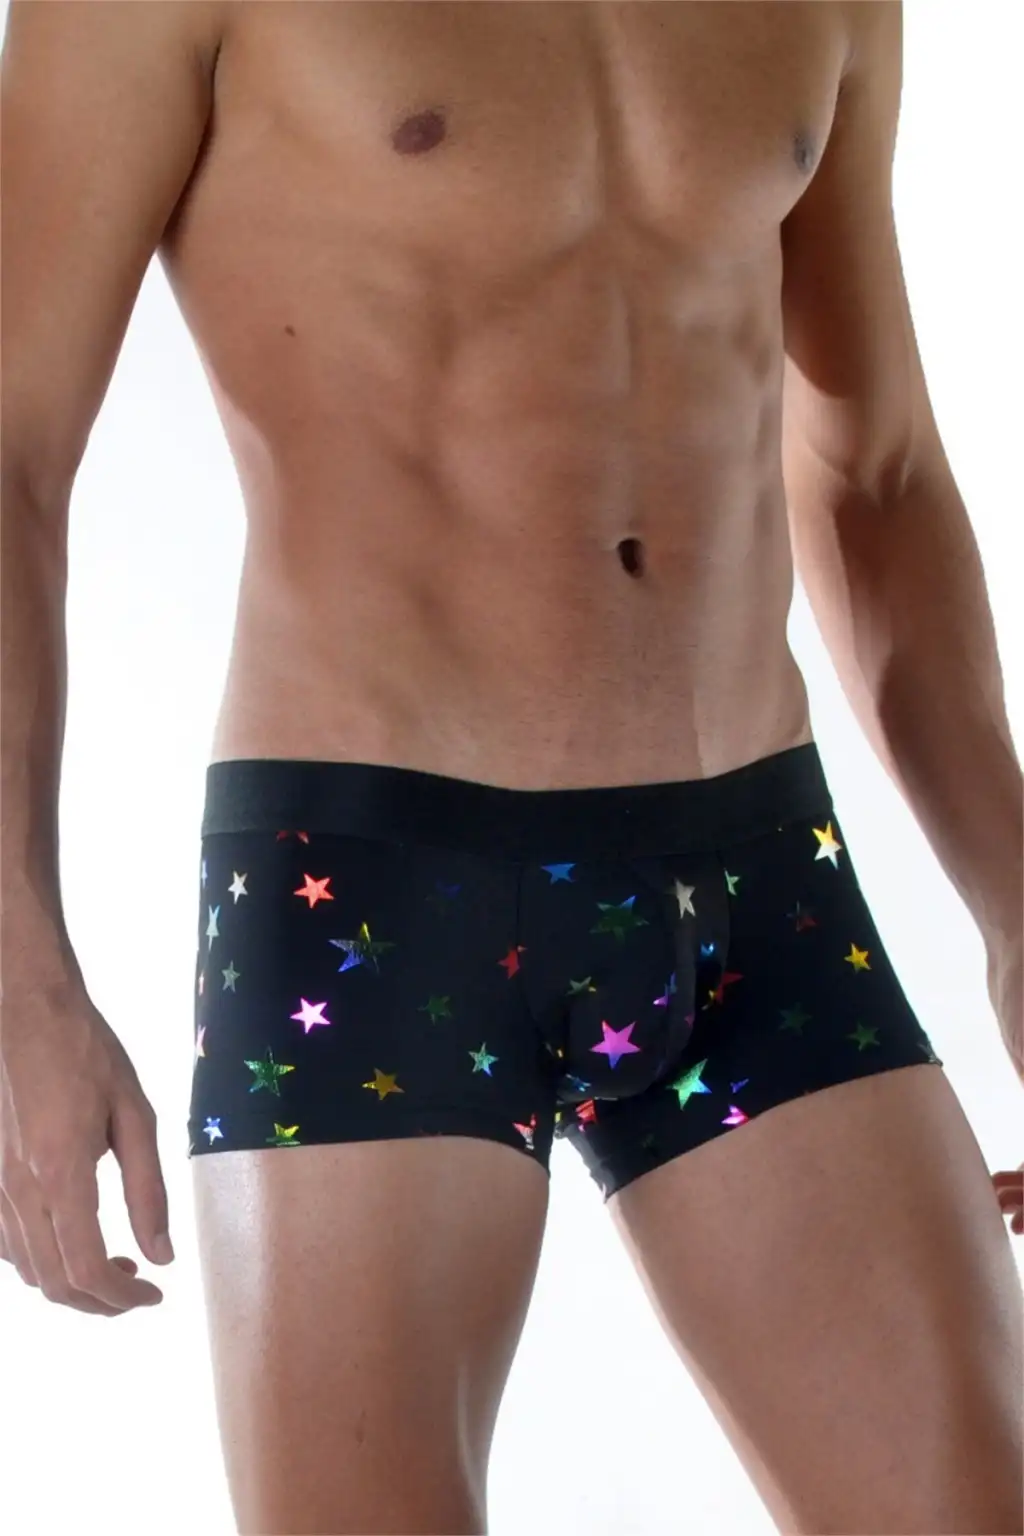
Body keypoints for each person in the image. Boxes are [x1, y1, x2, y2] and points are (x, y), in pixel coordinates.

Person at [1, 1, 1021, 1532]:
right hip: (373, 899)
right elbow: (10, 456)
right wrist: (21, 980)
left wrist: (1014, 904)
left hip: (758, 882)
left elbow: (875, 469)